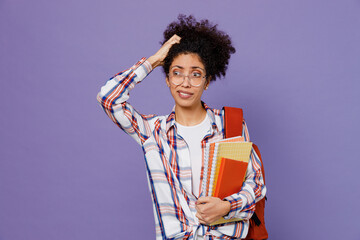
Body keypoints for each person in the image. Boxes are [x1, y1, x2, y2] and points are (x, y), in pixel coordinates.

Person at [97, 15, 266, 240]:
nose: (185, 82)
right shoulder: (152, 132)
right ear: (167, 79)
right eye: (177, 72)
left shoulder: (228, 125)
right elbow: (109, 98)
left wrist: (226, 207)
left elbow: (255, 184)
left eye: (196, 74)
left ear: (207, 82)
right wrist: (154, 61)